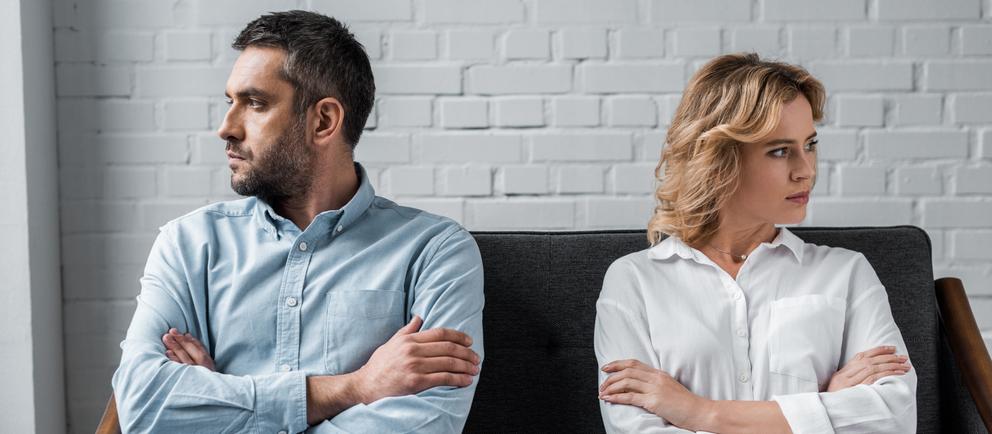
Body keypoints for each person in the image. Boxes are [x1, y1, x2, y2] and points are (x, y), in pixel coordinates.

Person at [111, 10, 484, 433]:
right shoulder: (189, 244)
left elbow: (426, 424)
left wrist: (217, 403)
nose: (226, 128)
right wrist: (353, 386)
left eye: (254, 103)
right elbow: (142, 406)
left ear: (323, 120)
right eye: (230, 102)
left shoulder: (434, 251)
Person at [594, 53, 916, 433]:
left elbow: (893, 419)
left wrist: (699, 412)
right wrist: (823, 407)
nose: (807, 170)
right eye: (780, 151)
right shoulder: (634, 281)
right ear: (719, 159)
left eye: (810, 144)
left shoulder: (846, 272)